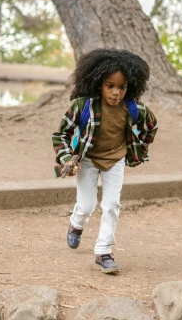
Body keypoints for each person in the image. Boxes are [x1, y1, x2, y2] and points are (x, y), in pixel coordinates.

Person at [52, 48, 158, 274]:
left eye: (122, 87)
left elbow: (151, 126)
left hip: (116, 161)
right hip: (87, 160)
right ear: (98, 82)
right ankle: (76, 224)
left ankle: (103, 252)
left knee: (111, 205)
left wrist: (139, 147)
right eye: (110, 86)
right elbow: (60, 135)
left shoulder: (134, 108)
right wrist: (66, 157)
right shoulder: (83, 106)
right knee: (87, 205)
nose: (116, 92)